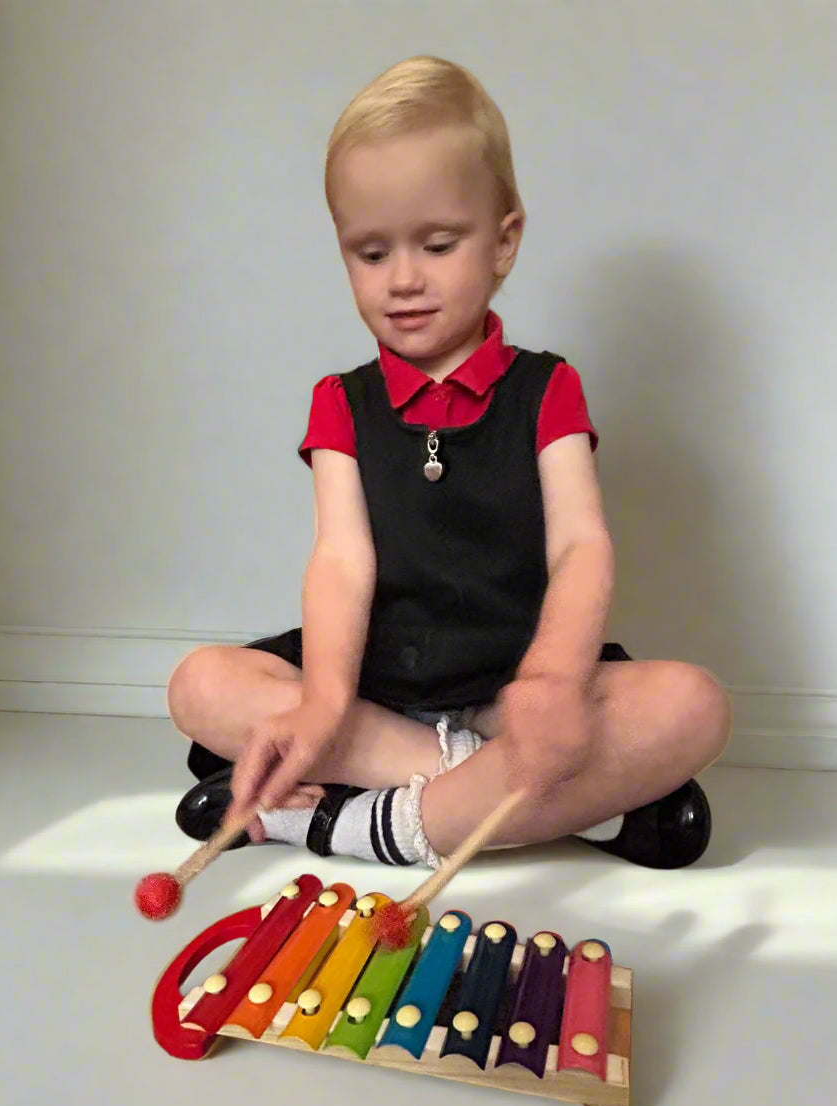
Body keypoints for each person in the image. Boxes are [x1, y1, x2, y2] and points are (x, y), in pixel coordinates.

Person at [166, 56, 732, 872]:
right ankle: (552, 802)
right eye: (369, 253)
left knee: (692, 707)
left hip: (517, 692)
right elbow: (341, 559)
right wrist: (324, 704)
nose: (402, 279)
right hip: (378, 692)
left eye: (436, 244)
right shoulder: (341, 401)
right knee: (200, 685)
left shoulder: (547, 388)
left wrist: (549, 683)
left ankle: (342, 821)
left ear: (502, 242)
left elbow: (579, 547)